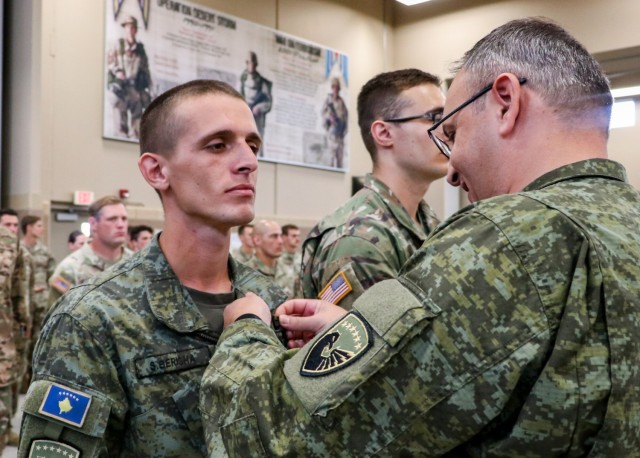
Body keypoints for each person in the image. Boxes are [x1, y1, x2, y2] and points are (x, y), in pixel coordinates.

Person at [199, 17, 640, 455]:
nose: (451, 167)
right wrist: (388, 343)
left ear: (505, 101)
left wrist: (244, 329)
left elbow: (269, 433)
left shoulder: (504, 238)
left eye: (452, 132)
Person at [18, 79, 288, 457]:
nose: (248, 162)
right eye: (218, 145)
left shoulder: (275, 301)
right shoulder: (93, 319)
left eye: (253, 145)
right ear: (157, 171)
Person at [297, 69, 445, 310]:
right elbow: (378, 345)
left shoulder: (427, 223)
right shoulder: (359, 239)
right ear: (384, 133)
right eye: (434, 118)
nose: (448, 130)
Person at [48, 196, 132, 307]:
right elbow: (56, 320)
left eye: (124, 219)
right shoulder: (70, 269)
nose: (121, 225)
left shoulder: (138, 263)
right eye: (112, 219)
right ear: (93, 224)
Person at [0, 209, 30, 448]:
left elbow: (18, 291)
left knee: (5, 390)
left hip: (3, 336)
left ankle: (5, 430)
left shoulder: (9, 241)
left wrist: (23, 329)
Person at [19, 215, 55, 390]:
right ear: (29, 227)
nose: (42, 229)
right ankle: (20, 381)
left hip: (40, 306)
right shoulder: (17, 250)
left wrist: (43, 287)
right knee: (21, 342)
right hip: (21, 308)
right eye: (39, 225)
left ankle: (35, 382)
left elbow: (54, 278)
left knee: (38, 342)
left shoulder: (44, 252)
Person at [107, 14, 152, 139]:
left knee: (136, 127)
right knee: (120, 127)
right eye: (127, 27)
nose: (130, 30)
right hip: (121, 87)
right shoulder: (118, 45)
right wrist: (117, 72)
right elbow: (110, 62)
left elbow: (146, 70)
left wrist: (150, 89)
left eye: (132, 28)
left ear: (136, 30)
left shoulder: (140, 50)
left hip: (134, 89)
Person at [246, 220, 291, 297]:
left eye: (280, 236)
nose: (280, 241)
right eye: (274, 236)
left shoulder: (289, 271)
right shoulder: (245, 274)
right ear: (257, 240)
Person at [239, 51, 272, 153]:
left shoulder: (263, 82)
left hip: (257, 118)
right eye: (249, 62)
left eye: (253, 62)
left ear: (256, 64)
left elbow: (268, 102)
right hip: (243, 116)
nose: (251, 65)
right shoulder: (242, 79)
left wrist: (259, 107)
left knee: (256, 144)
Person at [322, 77, 348, 168]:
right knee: (330, 161)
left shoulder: (341, 102)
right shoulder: (328, 100)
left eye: (337, 87)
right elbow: (323, 113)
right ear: (332, 88)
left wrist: (344, 131)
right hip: (331, 136)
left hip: (340, 136)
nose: (335, 89)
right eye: (334, 87)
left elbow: (346, 117)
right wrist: (329, 119)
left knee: (340, 162)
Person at [280, 223, 302, 293]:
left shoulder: (301, 258)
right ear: (283, 237)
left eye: (298, 236)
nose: (297, 239)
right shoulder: (276, 259)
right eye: (294, 236)